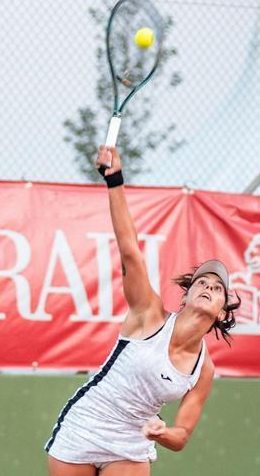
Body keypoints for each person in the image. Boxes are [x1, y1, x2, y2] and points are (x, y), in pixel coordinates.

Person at [44, 145, 240, 476]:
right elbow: (130, 251)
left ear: (221, 313)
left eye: (217, 288)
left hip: (132, 443)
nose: (208, 287)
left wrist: (162, 433)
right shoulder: (149, 315)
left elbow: (182, 436)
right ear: (187, 295)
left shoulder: (203, 370)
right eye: (202, 282)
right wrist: (115, 181)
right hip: (85, 424)